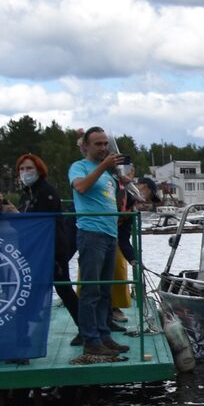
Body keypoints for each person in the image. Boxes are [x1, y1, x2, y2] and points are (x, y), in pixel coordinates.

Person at [68, 127, 129, 359]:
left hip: (109, 233)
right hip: (91, 234)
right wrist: (104, 167)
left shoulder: (108, 173)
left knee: (105, 291)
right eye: (98, 144)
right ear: (86, 146)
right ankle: (90, 340)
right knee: (91, 290)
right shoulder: (79, 167)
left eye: (106, 144)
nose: (103, 148)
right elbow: (81, 188)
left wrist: (118, 174)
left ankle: (103, 336)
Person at [15, 153, 79, 325]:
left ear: (39, 170)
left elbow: (41, 221)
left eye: (29, 168)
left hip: (53, 248)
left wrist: (16, 215)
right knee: (34, 289)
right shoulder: (27, 192)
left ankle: (86, 330)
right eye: (22, 169)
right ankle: (24, 331)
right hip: (36, 248)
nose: (25, 172)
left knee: (63, 289)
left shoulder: (46, 191)